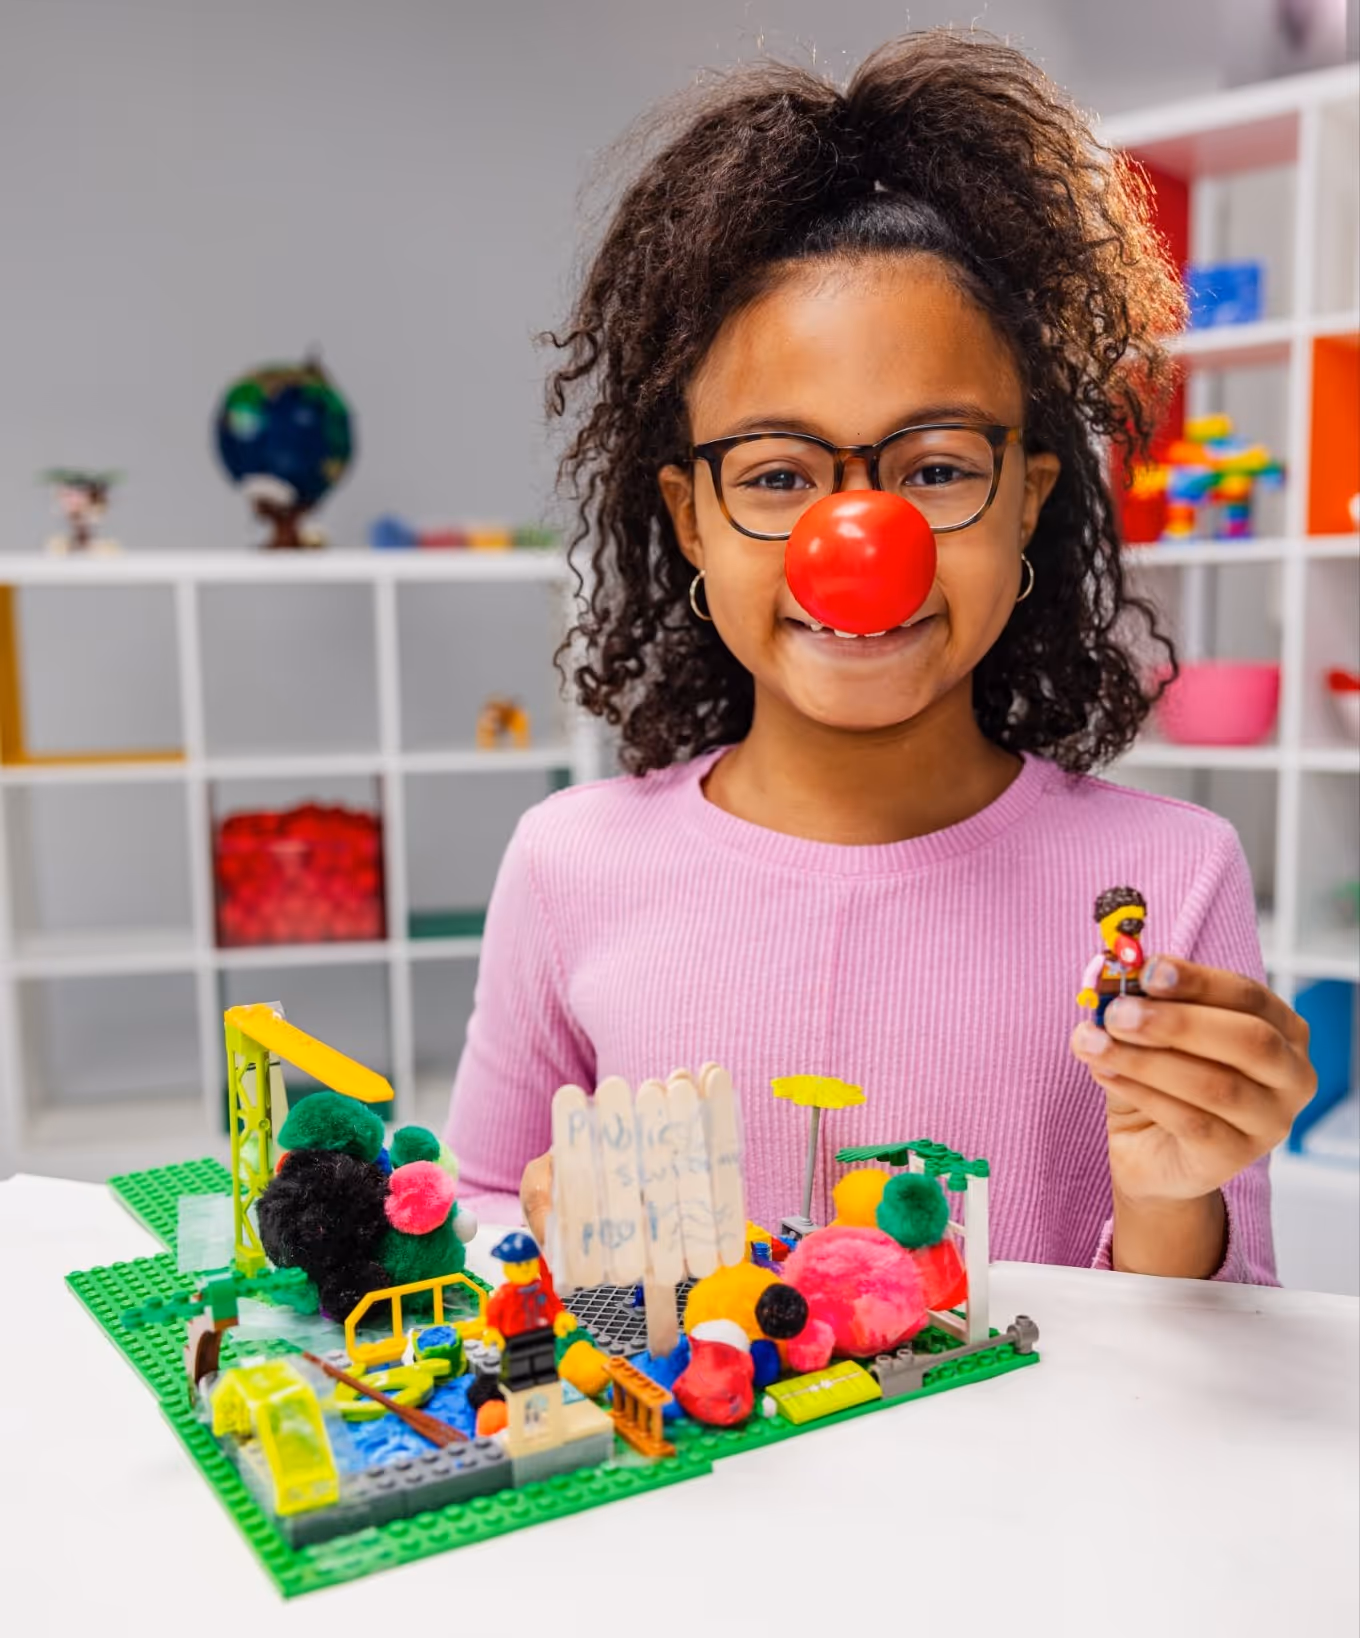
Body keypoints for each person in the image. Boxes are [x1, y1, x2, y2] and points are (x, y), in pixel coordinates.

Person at [446, 31, 1315, 1283]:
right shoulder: (568, 865)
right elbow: (478, 1218)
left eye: (938, 469)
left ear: (1026, 498)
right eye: (779, 475)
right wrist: (536, 1232)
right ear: (691, 516)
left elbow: (1208, 1358)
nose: (860, 544)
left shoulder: (1167, 880)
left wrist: (1176, 1190)